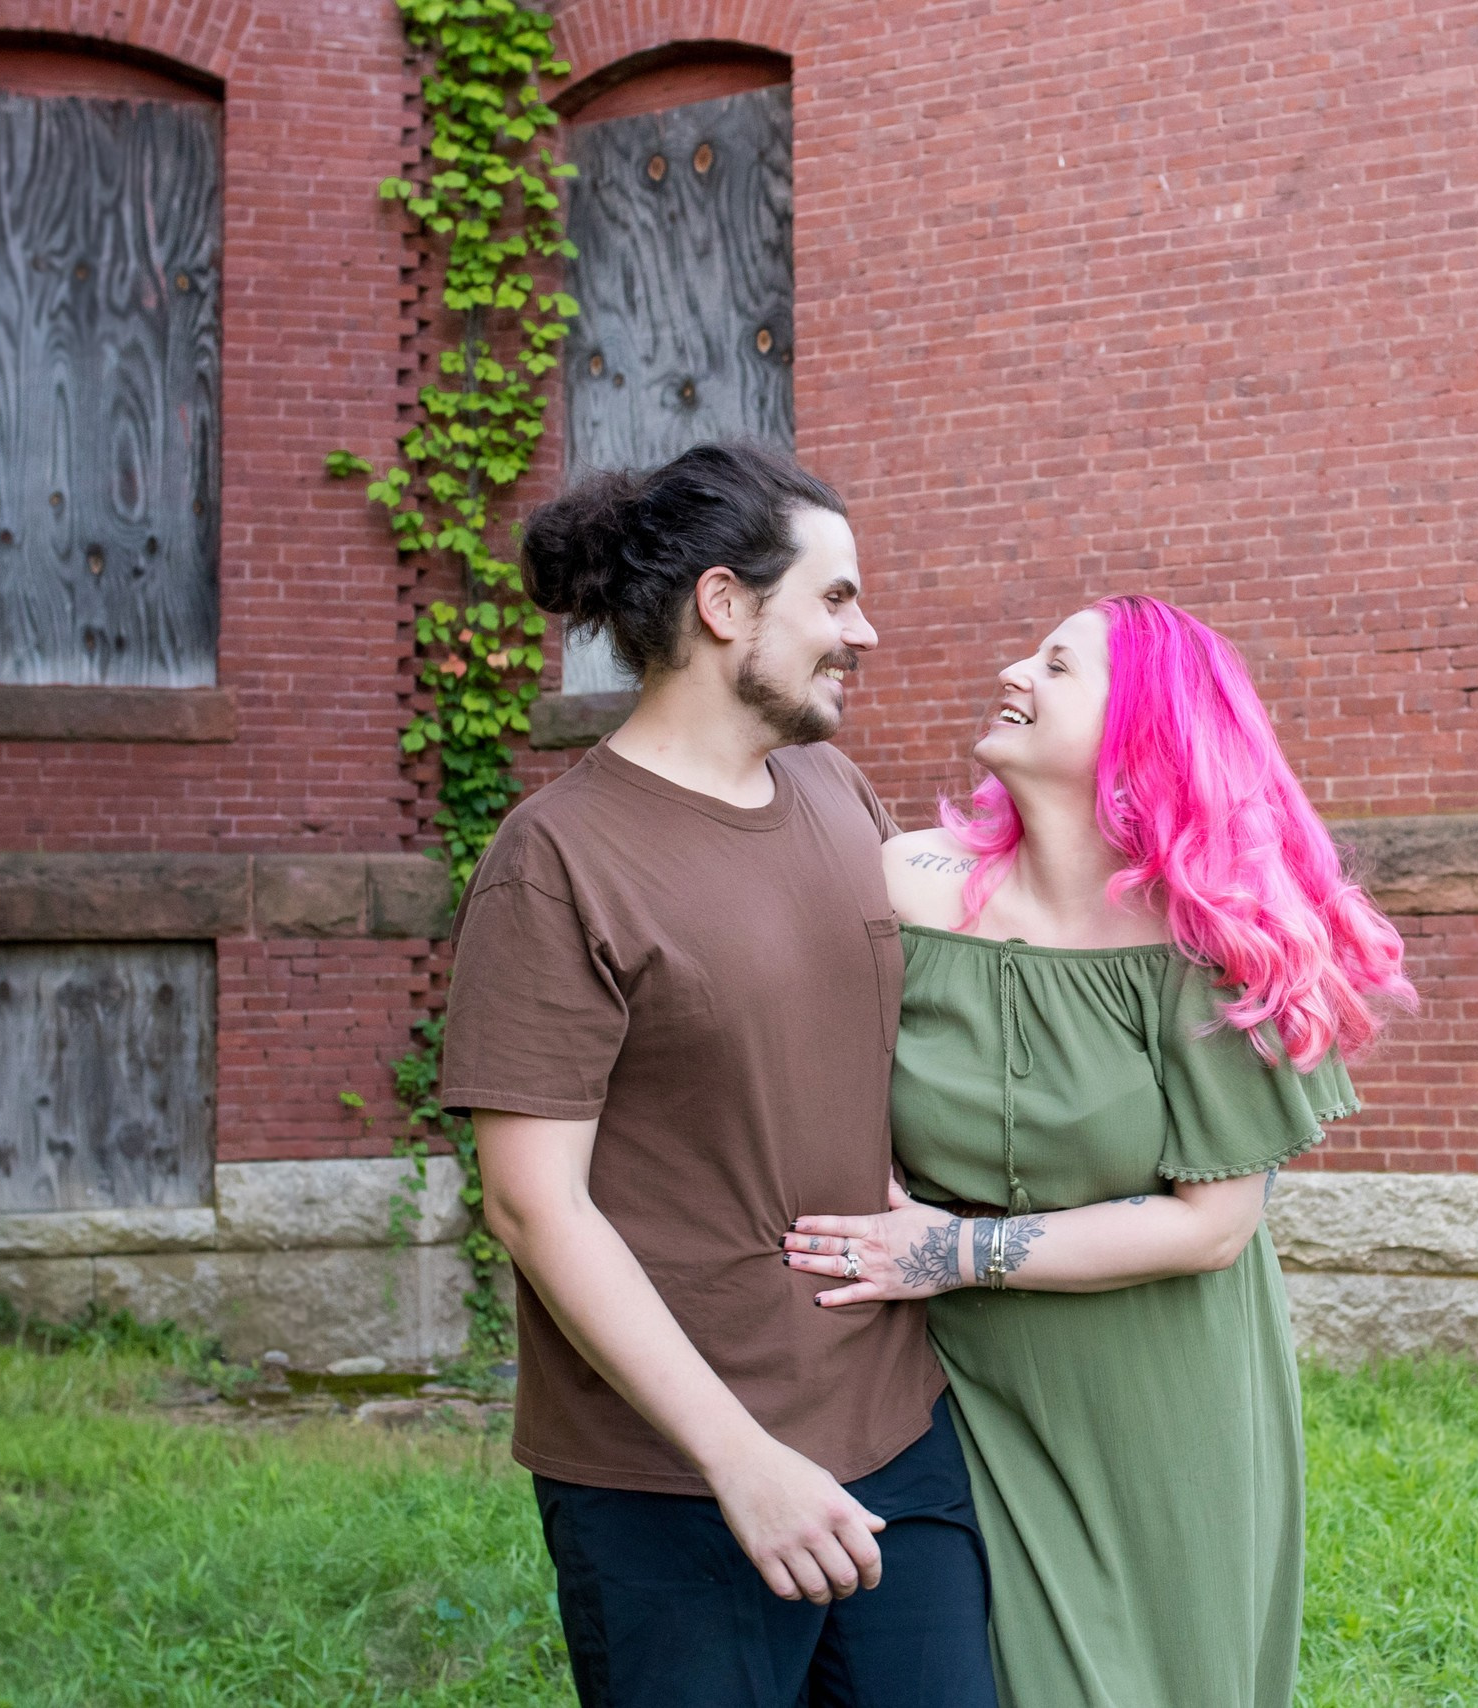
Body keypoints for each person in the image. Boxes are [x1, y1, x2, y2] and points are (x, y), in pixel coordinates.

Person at [438, 444, 997, 1708]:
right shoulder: (559, 862)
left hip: (898, 1431)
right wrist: (740, 1458)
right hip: (673, 1480)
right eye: (837, 598)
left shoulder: (832, 790)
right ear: (724, 604)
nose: (868, 631)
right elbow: (535, 1204)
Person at [782, 595, 1416, 1707]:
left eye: (1059, 664)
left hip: (1160, 1391)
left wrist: (951, 1252)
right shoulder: (902, 885)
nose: (1015, 668)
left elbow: (1213, 1225)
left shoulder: (1204, 935)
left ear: (1141, 733)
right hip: (955, 1388)